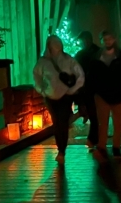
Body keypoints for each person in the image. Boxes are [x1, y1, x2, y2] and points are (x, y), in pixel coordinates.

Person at [32, 35, 85, 165]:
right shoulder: (43, 62)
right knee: (57, 123)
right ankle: (60, 148)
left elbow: (80, 75)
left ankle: (62, 150)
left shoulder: (68, 60)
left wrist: (72, 90)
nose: (58, 44)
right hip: (50, 97)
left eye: (58, 42)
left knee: (62, 121)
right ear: (49, 45)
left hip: (65, 97)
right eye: (55, 43)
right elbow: (36, 77)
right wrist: (42, 90)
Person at [93, 31, 121, 157]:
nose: (107, 41)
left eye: (109, 39)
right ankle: (102, 145)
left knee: (117, 123)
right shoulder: (97, 56)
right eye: (105, 39)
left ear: (114, 39)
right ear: (101, 40)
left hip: (119, 95)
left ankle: (116, 146)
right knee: (103, 122)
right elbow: (92, 75)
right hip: (102, 94)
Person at [73, 30, 102, 149]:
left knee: (96, 115)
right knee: (93, 114)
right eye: (82, 41)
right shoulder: (80, 54)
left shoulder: (98, 53)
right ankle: (94, 139)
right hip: (86, 88)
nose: (83, 43)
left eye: (84, 40)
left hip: (97, 88)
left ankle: (93, 139)